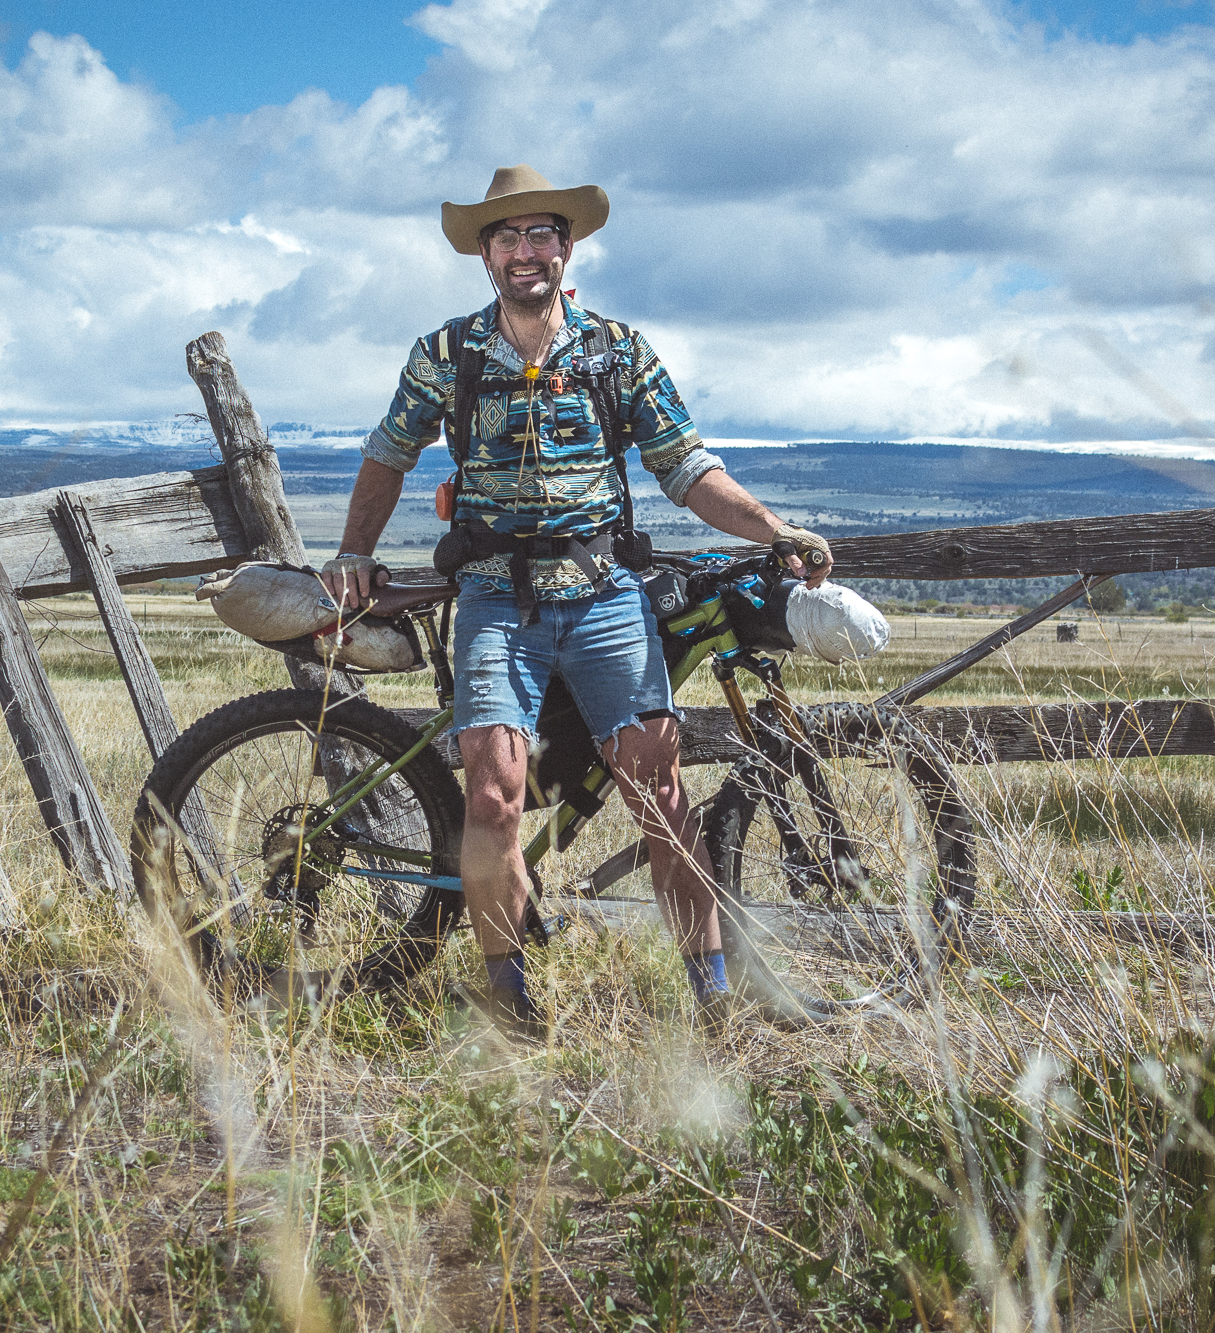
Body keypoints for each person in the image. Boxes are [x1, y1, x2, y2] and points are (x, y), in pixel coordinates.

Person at [321, 164, 832, 1039]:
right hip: (491, 598)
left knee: (660, 789)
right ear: (485, 253)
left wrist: (772, 531)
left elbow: (687, 469)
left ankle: (711, 997)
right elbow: (387, 453)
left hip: (603, 600)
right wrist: (353, 552)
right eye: (507, 237)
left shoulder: (619, 351)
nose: (525, 252)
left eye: (541, 235)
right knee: (493, 794)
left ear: (568, 245)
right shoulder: (446, 355)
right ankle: (508, 995)